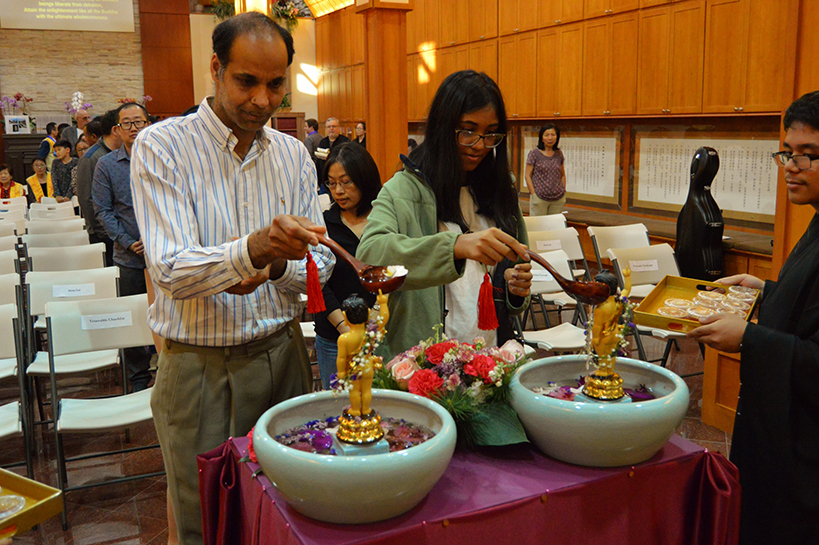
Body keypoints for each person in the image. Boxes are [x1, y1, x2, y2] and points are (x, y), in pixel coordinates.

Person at [129, 12, 334, 545]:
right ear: (216, 69)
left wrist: (277, 265)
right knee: (206, 523)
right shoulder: (162, 146)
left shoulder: (293, 155)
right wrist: (252, 250)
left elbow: (323, 264)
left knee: (290, 511)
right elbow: (170, 270)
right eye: (247, 81)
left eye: (276, 85)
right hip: (199, 369)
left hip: (283, 355)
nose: (262, 100)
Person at [688, 90, 819, 543]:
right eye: (787, 152)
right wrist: (765, 291)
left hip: (803, 461)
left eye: (808, 155)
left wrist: (749, 338)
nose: (791, 166)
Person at [357, 70, 533, 358]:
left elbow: (516, 265)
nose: (480, 145)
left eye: (490, 134)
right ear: (442, 127)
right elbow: (370, 254)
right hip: (424, 362)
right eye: (467, 131)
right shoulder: (403, 189)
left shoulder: (501, 189)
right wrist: (455, 247)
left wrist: (514, 288)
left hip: (489, 358)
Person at [92, 102, 154, 393]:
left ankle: (167, 368)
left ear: (148, 124)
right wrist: (129, 242)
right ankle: (139, 376)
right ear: (117, 129)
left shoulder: (162, 158)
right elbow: (103, 211)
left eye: (139, 121)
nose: (134, 128)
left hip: (164, 254)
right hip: (129, 257)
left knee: (167, 314)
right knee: (133, 317)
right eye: (127, 123)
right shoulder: (106, 165)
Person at [314, 143, 382, 389]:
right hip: (335, 339)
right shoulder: (324, 226)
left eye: (346, 182)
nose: (338, 191)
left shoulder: (383, 222)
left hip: (380, 335)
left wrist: (371, 327)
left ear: (364, 179)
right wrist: (346, 330)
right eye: (332, 184)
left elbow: (394, 273)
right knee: (339, 405)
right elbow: (318, 283)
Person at [77, 110, 120, 266]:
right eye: (127, 124)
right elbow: (86, 198)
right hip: (104, 234)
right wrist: (105, 232)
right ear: (116, 129)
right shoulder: (91, 158)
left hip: (121, 232)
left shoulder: (123, 153)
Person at [336, 292, 389, 417]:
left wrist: (341, 372)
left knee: (354, 390)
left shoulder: (344, 339)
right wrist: (383, 303)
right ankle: (365, 409)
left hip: (353, 368)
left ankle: (355, 409)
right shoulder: (369, 334)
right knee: (366, 390)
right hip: (368, 366)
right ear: (369, 314)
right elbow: (383, 319)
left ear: (345, 317)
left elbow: (341, 358)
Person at [525, 123, 567, 215]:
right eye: (546, 135)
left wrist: (563, 190)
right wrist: (533, 194)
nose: (550, 138)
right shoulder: (534, 153)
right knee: (539, 223)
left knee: (554, 223)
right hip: (539, 198)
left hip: (557, 198)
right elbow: (527, 175)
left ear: (557, 137)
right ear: (541, 137)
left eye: (553, 135)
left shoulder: (559, 153)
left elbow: (562, 174)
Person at [315, 117, 349, 189]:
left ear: (339, 128)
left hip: (340, 180)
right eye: (329, 127)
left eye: (334, 126)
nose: (331, 129)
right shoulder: (323, 142)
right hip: (324, 181)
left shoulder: (345, 142)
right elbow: (318, 162)